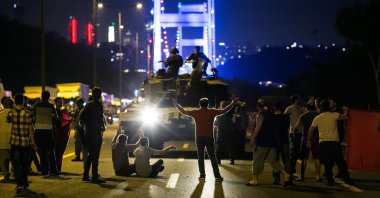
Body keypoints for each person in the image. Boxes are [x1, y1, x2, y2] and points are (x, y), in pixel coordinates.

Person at [173, 97, 238, 181]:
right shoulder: (212, 112)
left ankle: (202, 175)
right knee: (213, 157)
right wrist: (232, 103)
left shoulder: (196, 112)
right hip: (209, 137)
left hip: (199, 137)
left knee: (200, 157)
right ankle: (217, 176)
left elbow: (183, 111)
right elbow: (224, 110)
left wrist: (176, 104)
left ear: (200, 104)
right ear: (208, 104)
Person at [307, 100, 354, 186]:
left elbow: (311, 130)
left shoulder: (318, 117)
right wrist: (346, 110)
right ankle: (347, 179)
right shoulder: (334, 115)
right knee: (340, 162)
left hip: (323, 143)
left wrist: (308, 140)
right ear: (329, 107)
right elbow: (345, 117)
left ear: (321, 108)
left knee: (327, 162)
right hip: (334, 142)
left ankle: (330, 181)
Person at [247, 99, 290, 186]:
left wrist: (253, 138)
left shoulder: (260, 115)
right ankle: (286, 175)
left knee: (257, 159)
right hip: (272, 142)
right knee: (273, 160)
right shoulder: (272, 114)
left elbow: (258, 128)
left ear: (257, 106)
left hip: (262, 141)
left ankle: (255, 180)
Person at [7, 94, 35, 194]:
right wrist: (34, 142)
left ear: (15, 101)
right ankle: (25, 182)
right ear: (23, 101)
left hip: (14, 142)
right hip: (25, 143)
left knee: (16, 164)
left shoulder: (11, 113)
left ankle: (19, 184)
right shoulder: (28, 113)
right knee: (25, 163)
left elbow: (8, 121)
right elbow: (31, 129)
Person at [80, 87, 106, 183]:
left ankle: (86, 175)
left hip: (89, 133)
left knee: (91, 155)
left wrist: (87, 125)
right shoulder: (99, 105)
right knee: (95, 155)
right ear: (99, 95)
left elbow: (82, 118)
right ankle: (94, 176)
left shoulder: (88, 105)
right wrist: (100, 126)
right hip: (95, 133)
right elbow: (100, 119)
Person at [33, 91, 59, 177]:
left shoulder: (37, 106)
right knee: (51, 151)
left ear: (41, 96)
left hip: (38, 130)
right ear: (48, 97)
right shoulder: (51, 106)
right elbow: (56, 117)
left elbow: (32, 115)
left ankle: (44, 170)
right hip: (48, 130)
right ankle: (53, 170)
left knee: (42, 151)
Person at [293, 101, 321, 182]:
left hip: (305, 138)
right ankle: (318, 176)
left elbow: (296, 128)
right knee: (317, 157)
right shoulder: (318, 116)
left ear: (307, 108)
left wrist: (295, 137)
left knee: (304, 158)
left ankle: (302, 176)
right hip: (316, 138)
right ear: (314, 108)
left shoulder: (303, 116)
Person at [284, 94, 305, 184]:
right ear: (295, 100)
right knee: (295, 151)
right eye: (298, 99)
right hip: (293, 132)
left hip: (300, 132)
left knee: (296, 150)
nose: (299, 100)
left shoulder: (301, 108)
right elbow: (284, 116)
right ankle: (291, 169)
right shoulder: (290, 108)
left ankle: (292, 168)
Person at [272, 101, 291, 185]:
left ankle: (276, 178)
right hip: (284, 140)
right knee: (286, 160)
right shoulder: (286, 118)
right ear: (282, 108)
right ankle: (288, 179)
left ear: (274, 108)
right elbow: (287, 128)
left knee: (275, 161)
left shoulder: (272, 118)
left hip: (274, 142)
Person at [215, 100, 237, 165]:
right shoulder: (230, 111)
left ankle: (218, 161)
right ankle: (232, 160)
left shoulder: (218, 112)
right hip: (229, 130)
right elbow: (233, 106)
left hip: (221, 131)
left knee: (218, 146)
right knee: (230, 146)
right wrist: (234, 102)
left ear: (222, 106)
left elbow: (216, 122)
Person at [54, 97, 72, 173]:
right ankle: (55, 168)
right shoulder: (54, 111)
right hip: (56, 133)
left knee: (60, 151)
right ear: (55, 103)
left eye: (61, 102)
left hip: (62, 133)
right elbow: (59, 119)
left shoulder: (63, 111)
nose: (60, 103)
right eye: (58, 102)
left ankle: (58, 168)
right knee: (56, 151)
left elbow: (68, 117)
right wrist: (68, 120)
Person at [0, 98, 14, 182]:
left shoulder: (0, 114)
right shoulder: (15, 114)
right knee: (14, 159)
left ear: (3, 105)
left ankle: (6, 175)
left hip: (1, 139)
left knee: (3, 159)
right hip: (13, 139)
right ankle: (16, 174)